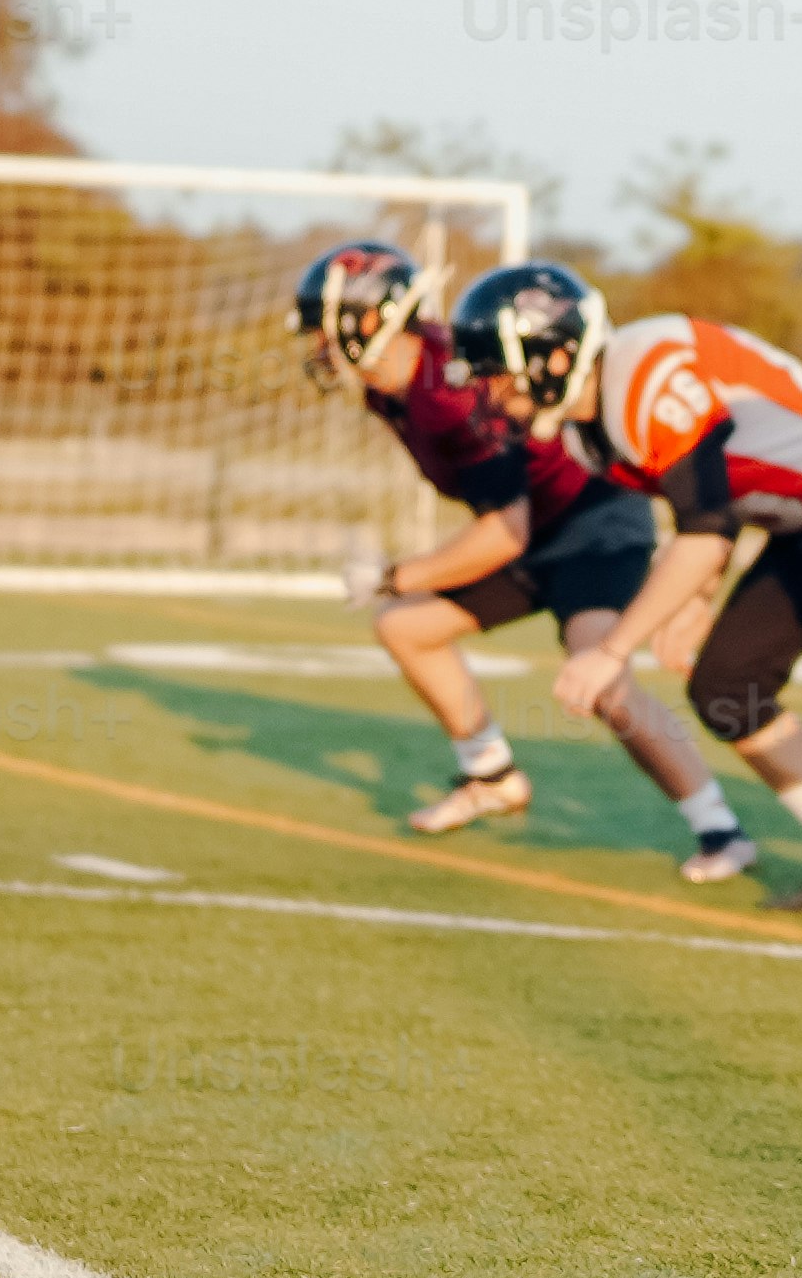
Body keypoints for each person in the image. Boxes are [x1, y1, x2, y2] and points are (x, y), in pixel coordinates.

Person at [454, 260, 802, 939]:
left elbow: (706, 531)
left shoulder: (648, 375)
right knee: (728, 685)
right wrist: (698, 593)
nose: (485, 390)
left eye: (494, 371)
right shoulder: (586, 430)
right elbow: (713, 499)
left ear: (550, 356)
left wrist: (611, 650)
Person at [283, 239, 739, 862]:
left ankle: (719, 827)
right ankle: (492, 777)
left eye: (323, 331)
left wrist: (393, 575)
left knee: (600, 671)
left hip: (592, 521)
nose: (317, 347)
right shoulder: (392, 387)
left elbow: (503, 533)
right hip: (538, 528)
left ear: (365, 322)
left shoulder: (445, 394)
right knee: (408, 627)